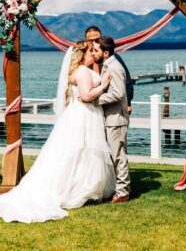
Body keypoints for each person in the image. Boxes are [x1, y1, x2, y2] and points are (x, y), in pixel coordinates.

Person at [0, 41, 116, 223]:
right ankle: (80, 189)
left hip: (78, 113)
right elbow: (86, 96)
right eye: (90, 51)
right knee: (84, 150)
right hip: (84, 114)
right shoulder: (83, 71)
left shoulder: (76, 71)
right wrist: (103, 85)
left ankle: (81, 186)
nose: (93, 53)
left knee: (77, 152)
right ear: (82, 54)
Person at [93, 36, 131, 203]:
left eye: (96, 50)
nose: (93, 54)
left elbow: (118, 94)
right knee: (115, 154)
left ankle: (123, 192)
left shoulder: (113, 67)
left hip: (116, 118)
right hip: (111, 117)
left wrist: (95, 100)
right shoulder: (108, 64)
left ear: (105, 52)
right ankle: (118, 188)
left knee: (118, 155)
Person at [85, 26, 134, 114]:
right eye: (90, 40)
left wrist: (128, 103)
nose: (93, 42)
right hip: (90, 108)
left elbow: (126, 80)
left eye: (96, 39)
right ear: (86, 41)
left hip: (109, 107)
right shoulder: (83, 59)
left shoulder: (112, 57)